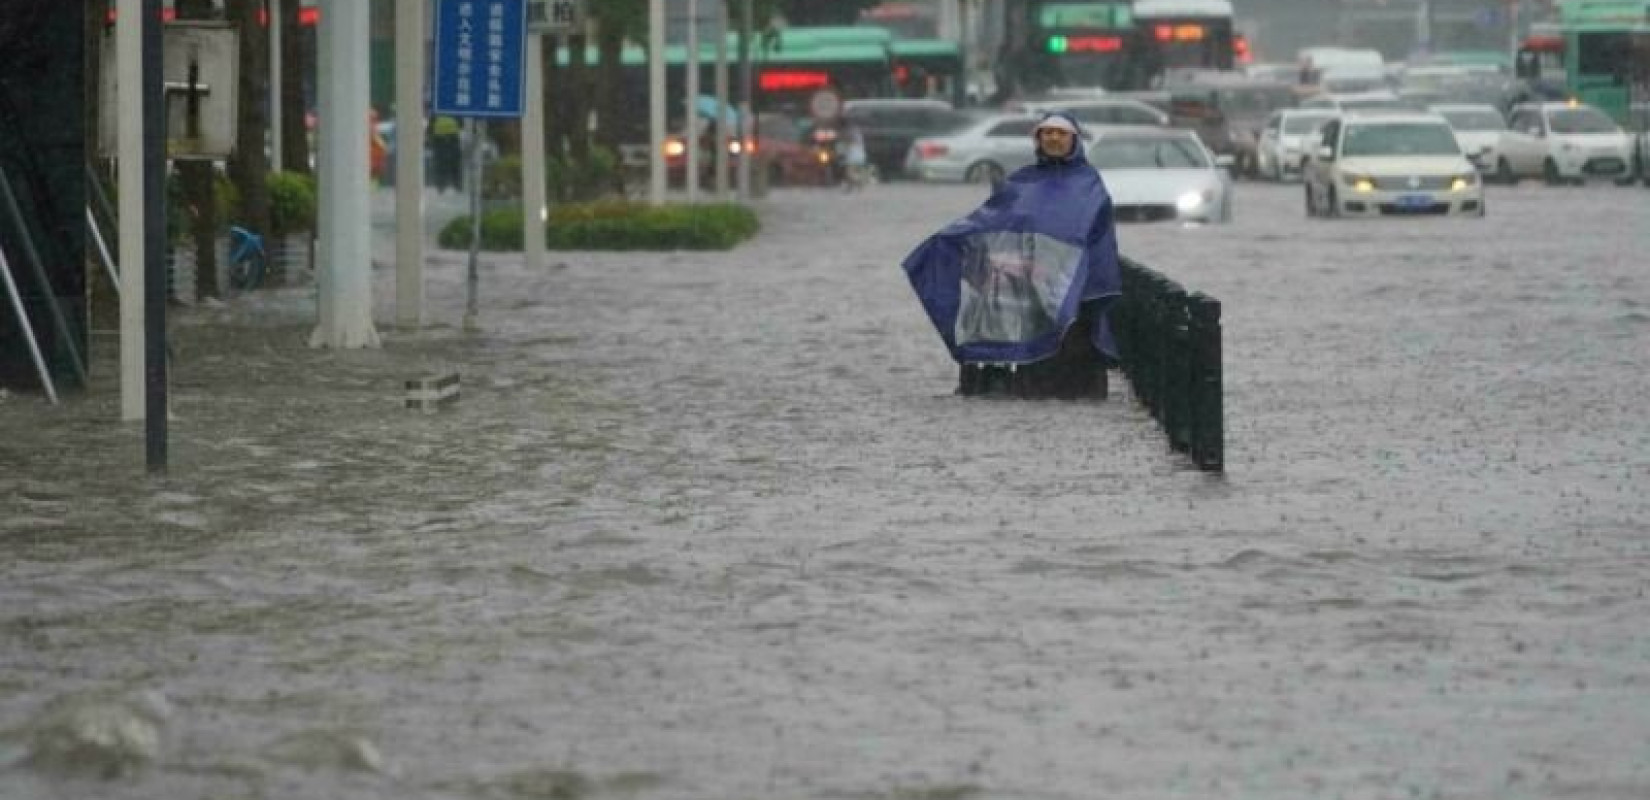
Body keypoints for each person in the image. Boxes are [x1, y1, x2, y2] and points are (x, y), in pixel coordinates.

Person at [902, 110, 1121, 398]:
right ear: (1038, 139)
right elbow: (991, 221)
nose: (1054, 138)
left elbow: (1097, 237)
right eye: (1047, 133)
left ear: (1074, 140)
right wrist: (950, 241)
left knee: (1068, 375)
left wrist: (1086, 286)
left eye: (1061, 133)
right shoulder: (1020, 182)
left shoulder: (1089, 185)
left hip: (1070, 296)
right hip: (1022, 293)